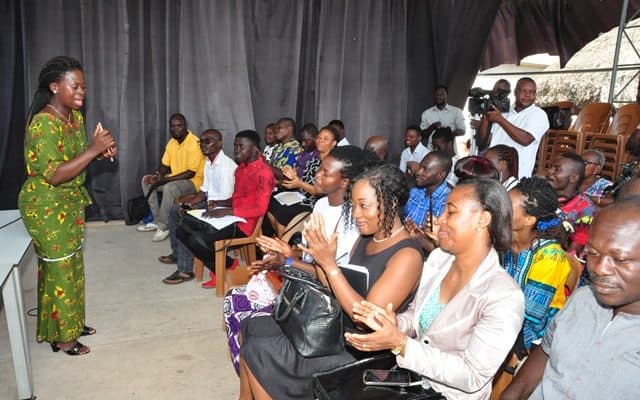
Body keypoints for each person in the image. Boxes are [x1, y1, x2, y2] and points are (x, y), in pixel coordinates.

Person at [239, 163, 424, 400]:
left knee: (259, 351)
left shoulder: (407, 255)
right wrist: (304, 260)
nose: (356, 214)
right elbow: (331, 285)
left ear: (391, 203)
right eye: (353, 205)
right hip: (337, 328)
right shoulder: (367, 238)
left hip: (362, 349)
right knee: (252, 326)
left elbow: (367, 319)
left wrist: (330, 266)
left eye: (363, 205)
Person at [345, 178, 525, 400]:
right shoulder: (440, 260)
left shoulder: (504, 297)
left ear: (482, 220)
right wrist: (393, 324)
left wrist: (401, 344)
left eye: (451, 212)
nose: (440, 219)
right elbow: (418, 316)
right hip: (414, 381)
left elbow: (472, 375)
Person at [224, 145, 371, 374]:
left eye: (325, 173)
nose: (317, 175)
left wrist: (287, 261)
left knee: (243, 311)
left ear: (344, 181)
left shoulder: (354, 220)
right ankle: (252, 377)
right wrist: (284, 253)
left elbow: (330, 275)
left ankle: (261, 375)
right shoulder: (321, 205)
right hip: (305, 279)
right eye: (319, 169)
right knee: (233, 300)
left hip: (324, 299)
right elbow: (309, 255)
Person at [19, 56, 117, 355]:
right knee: (60, 269)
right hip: (46, 206)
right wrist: (93, 149)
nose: (81, 92)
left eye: (84, 87)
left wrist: (99, 153)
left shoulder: (75, 117)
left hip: (69, 202)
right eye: (75, 86)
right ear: (54, 86)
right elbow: (55, 174)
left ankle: (69, 323)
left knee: (71, 266)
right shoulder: (43, 124)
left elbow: (74, 161)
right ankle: (63, 337)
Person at [500, 199, 640, 399]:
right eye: (592, 253)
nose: (599, 268)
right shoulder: (583, 298)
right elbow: (547, 351)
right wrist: (512, 393)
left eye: (620, 259)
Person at [175, 130, 275, 288]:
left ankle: (225, 267)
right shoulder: (241, 169)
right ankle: (226, 265)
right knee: (182, 228)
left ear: (254, 149)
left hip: (245, 224)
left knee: (197, 239)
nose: (236, 150)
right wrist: (219, 203)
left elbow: (260, 209)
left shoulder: (264, 173)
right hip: (231, 217)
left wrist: (227, 211)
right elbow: (237, 198)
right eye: (235, 146)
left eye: (241, 147)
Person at [159, 129, 237, 283]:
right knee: (176, 209)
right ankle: (178, 254)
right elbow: (204, 191)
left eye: (208, 141)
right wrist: (190, 204)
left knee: (184, 219)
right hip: (210, 203)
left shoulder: (226, 167)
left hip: (222, 210)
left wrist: (197, 208)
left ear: (219, 144)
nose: (203, 144)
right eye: (201, 141)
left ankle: (185, 270)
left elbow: (226, 200)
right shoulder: (208, 162)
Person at [503, 177, 571, 351]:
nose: (498, 208)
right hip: (503, 319)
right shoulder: (504, 242)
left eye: (507, 206)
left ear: (529, 220)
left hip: (536, 336)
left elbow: (530, 314)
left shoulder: (550, 256)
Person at [138, 113, 204, 241]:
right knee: (146, 181)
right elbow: (164, 166)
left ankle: (164, 226)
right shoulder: (172, 143)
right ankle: (156, 220)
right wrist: (156, 177)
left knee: (170, 187)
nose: (175, 129)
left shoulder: (194, 143)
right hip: (176, 179)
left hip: (193, 182)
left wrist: (164, 180)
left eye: (179, 126)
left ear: (185, 126)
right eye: (172, 126)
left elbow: (191, 173)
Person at [268, 125, 338, 234]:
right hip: (302, 196)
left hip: (316, 202)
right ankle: (283, 238)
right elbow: (305, 180)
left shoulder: (333, 163)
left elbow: (320, 192)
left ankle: (284, 240)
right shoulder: (314, 159)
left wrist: (299, 183)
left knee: (282, 212)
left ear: (333, 143)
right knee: (271, 201)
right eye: (319, 137)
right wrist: (294, 177)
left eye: (325, 139)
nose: (320, 141)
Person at [476, 77, 549, 178]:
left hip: (517, 176)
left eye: (532, 92)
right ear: (515, 92)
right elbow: (483, 142)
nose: (528, 95)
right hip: (493, 172)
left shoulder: (539, 114)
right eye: (523, 91)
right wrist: (486, 114)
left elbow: (526, 139)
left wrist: (501, 120)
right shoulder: (504, 111)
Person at [545, 152, 597, 291]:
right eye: (550, 167)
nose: (549, 172)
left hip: (563, 271)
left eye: (557, 169)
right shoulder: (545, 197)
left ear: (573, 178)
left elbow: (573, 251)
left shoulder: (585, 208)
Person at [403, 151, 452, 254]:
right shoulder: (415, 192)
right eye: (420, 167)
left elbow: (445, 251)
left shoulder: (448, 202)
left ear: (440, 175)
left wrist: (423, 240)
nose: (418, 172)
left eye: (425, 169)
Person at [419, 84, 466, 150]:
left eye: (442, 94)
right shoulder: (426, 113)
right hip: (431, 150)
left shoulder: (456, 111)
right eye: (437, 94)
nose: (439, 96)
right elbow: (422, 134)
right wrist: (432, 127)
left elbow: (462, 131)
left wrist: (449, 131)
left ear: (447, 96)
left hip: (449, 150)